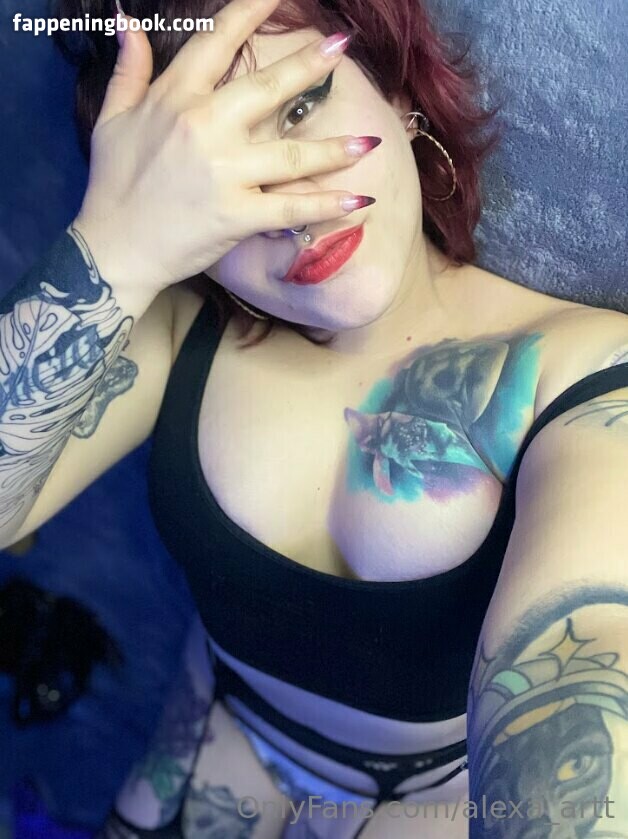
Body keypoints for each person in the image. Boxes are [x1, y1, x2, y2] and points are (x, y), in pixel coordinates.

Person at [2, 0, 627, 835]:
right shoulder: (179, 324)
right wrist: (118, 245)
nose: (293, 208)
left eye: (299, 106)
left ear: (396, 91)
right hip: (213, 745)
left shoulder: (584, 375)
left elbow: (588, 667)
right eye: (216, 171)